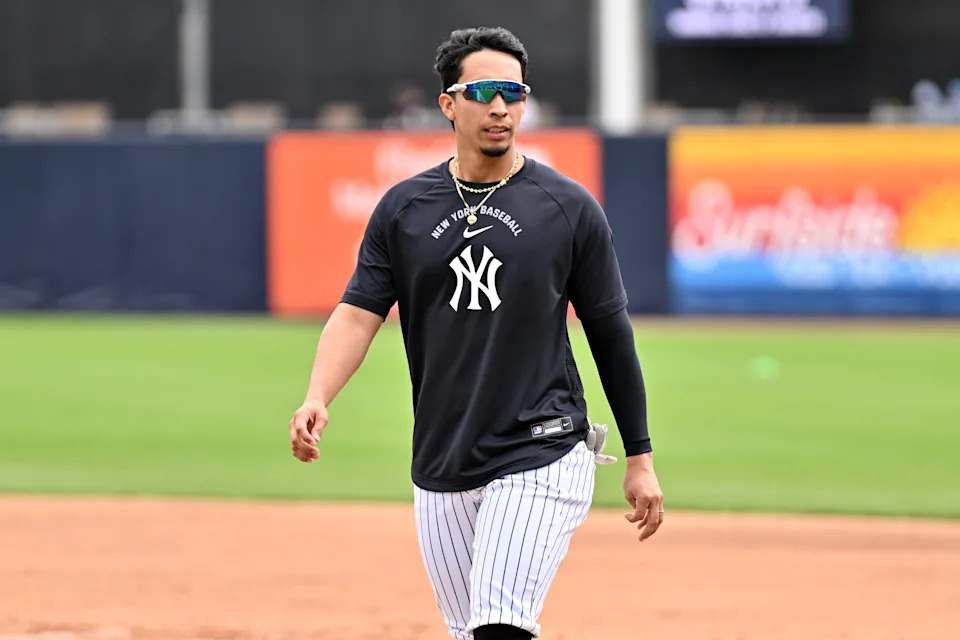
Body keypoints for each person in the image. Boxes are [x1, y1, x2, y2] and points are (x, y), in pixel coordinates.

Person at [287, 26, 664, 640]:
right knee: (470, 632)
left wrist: (640, 458)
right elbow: (359, 312)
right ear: (448, 103)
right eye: (484, 91)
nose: (500, 108)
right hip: (443, 456)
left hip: (541, 448)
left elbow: (609, 333)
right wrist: (316, 397)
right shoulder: (406, 208)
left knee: (499, 627)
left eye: (513, 93)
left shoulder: (567, 207)